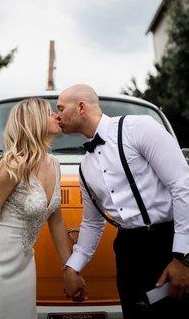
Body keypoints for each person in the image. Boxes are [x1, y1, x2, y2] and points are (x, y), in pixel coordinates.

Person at [57, 84, 189, 319]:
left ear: (81, 107)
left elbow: (183, 185)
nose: (57, 115)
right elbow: (92, 223)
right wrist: (72, 266)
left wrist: (183, 256)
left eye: (60, 108)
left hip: (166, 242)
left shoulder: (139, 128)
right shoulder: (85, 167)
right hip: (127, 251)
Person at [0, 98, 79, 319]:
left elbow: (57, 221)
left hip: (24, 266)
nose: (57, 116)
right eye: (49, 113)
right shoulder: (11, 167)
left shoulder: (54, 164)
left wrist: (70, 269)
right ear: (34, 121)